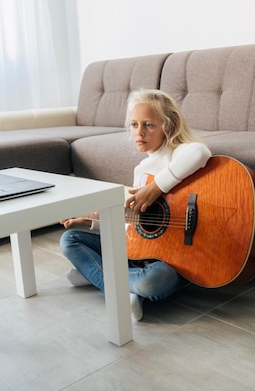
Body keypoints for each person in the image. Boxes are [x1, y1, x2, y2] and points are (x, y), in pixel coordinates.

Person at [59, 88, 212, 321]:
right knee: (70, 239)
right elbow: (136, 224)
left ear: (167, 126)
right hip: (140, 251)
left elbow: (200, 152)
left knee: (156, 280)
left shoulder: (178, 153)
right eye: (134, 125)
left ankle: (97, 276)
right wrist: (91, 222)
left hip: (170, 260)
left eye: (149, 125)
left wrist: (156, 187)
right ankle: (124, 288)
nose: (139, 132)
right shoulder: (141, 171)